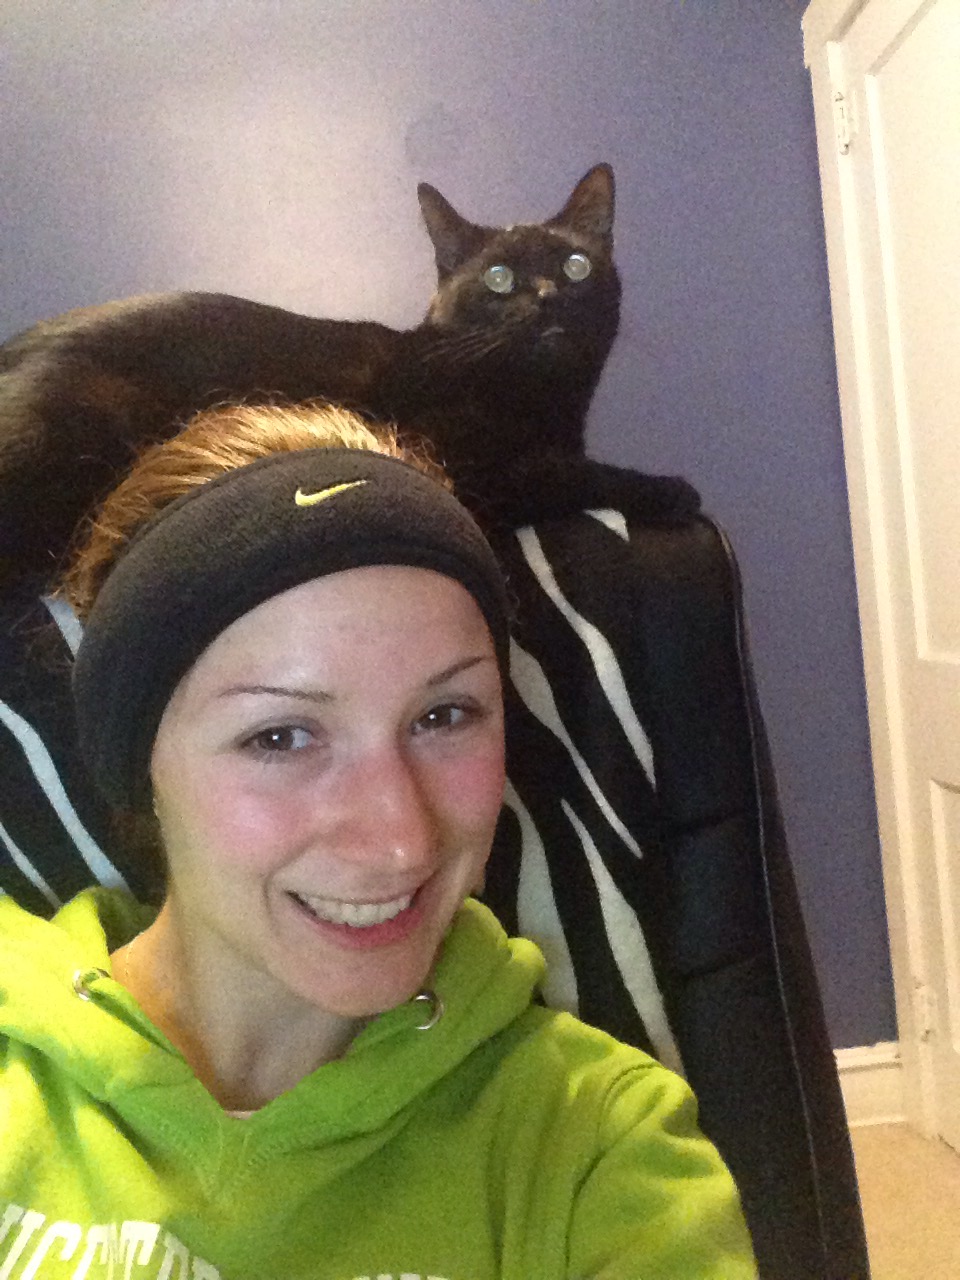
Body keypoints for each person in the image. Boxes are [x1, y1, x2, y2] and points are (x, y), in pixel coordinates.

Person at [0, 403, 757, 1279]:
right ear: (141, 767)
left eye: (445, 715)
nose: (402, 840)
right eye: (281, 736)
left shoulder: (596, 1148)